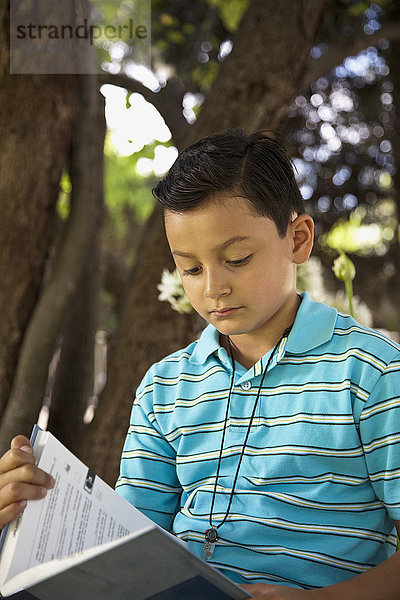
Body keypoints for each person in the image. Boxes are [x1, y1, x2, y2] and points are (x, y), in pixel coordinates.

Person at [1, 128, 399, 599]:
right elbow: (130, 545)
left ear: (297, 239)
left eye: (237, 258)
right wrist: (29, 514)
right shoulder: (164, 387)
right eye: (190, 268)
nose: (213, 288)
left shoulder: (372, 375)